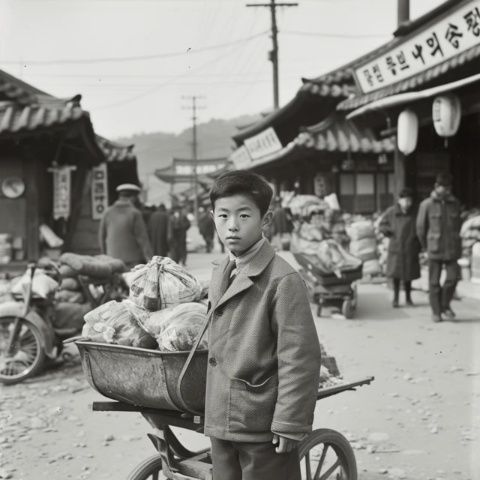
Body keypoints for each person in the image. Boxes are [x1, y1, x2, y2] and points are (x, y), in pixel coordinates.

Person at [206, 170, 321, 480]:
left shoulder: (283, 279)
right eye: (223, 215)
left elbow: (300, 356)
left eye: (244, 215)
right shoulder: (221, 271)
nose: (232, 225)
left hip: (261, 425)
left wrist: (289, 422)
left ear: (266, 219)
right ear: (211, 217)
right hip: (222, 419)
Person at [416, 173, 462, 322]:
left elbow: (458, 225)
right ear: (436, 187)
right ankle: (436, 311)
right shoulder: (426, 204)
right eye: (444, 188)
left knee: (453, 278)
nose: (447, 191)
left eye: (449, 188)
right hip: (434, 248)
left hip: (452, 249)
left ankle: (444, 305)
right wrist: (425, 247)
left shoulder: (455, 203)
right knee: (434, 282)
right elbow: (421, 228)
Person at [379, 187, 421, 308]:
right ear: (399, 200)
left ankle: (408, 298)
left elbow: (421, 227)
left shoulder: (415, 212)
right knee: (396, 275)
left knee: (409, 274)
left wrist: (418, 242)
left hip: (410, 247)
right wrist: (389, 232)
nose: (407, 203)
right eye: (405, 200)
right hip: (396, 247)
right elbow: (382, 225)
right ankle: (396, 299)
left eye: (409, 200)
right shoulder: (391, 212)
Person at [99, 184, 153, 268]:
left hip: (112, 259)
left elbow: (101, 236)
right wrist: (150, 261)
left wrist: (105, 256)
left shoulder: (107, 212)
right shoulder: (135, 213)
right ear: (133, 198)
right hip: (132, 261)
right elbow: (143, 239)